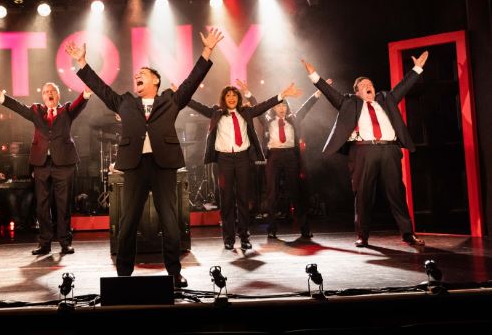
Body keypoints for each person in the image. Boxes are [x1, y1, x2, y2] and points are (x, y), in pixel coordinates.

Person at [66, 28, 224, 288]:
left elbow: (192, 80)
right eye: (136, 74)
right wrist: (82, 62)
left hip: (164, 166)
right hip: (135, 166)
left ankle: (174, 273)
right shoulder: (125, 102)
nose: (137, 75)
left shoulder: (171, 100)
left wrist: (207, 50)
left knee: (170, 221)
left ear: (156, 81)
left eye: (143, 73)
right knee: (128, 221)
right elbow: (101, 88)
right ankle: (123, 275)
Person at [302, 52, 429, 247]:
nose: (368, 86)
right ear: (357, 92)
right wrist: (314, 75)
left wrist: (417, 68)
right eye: (363, 85)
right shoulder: (349, 102)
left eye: (370, 84)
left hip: (389, 150)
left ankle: (407, 233)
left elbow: (403, 86)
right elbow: (330, 92)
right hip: (363, 152)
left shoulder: (386, 99)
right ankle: (362, 235)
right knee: (363, 194)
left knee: (396, 192)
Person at [183, 80, 301, 250]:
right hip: (224, 160)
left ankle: (244, 236)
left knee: (243, 199)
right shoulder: (216, 112)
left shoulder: (246, 112)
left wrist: (283, 94)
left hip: (242, 159)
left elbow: (265, 105)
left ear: (238, 98)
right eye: (228, 95)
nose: (231, 98)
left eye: (234, 95)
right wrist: (182, 93)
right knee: (226, 200)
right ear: (224, 99)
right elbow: (197, 106)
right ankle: (228, 238)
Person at [0, 81, 90, 255]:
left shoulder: (66, 110)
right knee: (42, 204)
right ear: (43, 96)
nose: (49, 93)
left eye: (52, 91)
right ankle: (44, 243)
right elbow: (19, 107)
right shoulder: (36, 111)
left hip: (64, 163)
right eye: (46, 91)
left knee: (63, 204)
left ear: (58, 95)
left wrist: (86, 92)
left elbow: (79, 103)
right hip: (41, 163)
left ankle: (65, 242)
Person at [239, 79, 331, 240]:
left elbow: (307, 107)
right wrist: (248, 93)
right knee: (272, 193)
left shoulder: (293, 119)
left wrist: (319, 92)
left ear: (287, 108)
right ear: (274, 108)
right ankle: (272, 229)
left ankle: (304, 228)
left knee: (295, 192)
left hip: (290, 156)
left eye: (284, 106)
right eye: (278, 106)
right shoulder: (267, 120)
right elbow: (258, 106)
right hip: (273, 156)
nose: (281, 108)